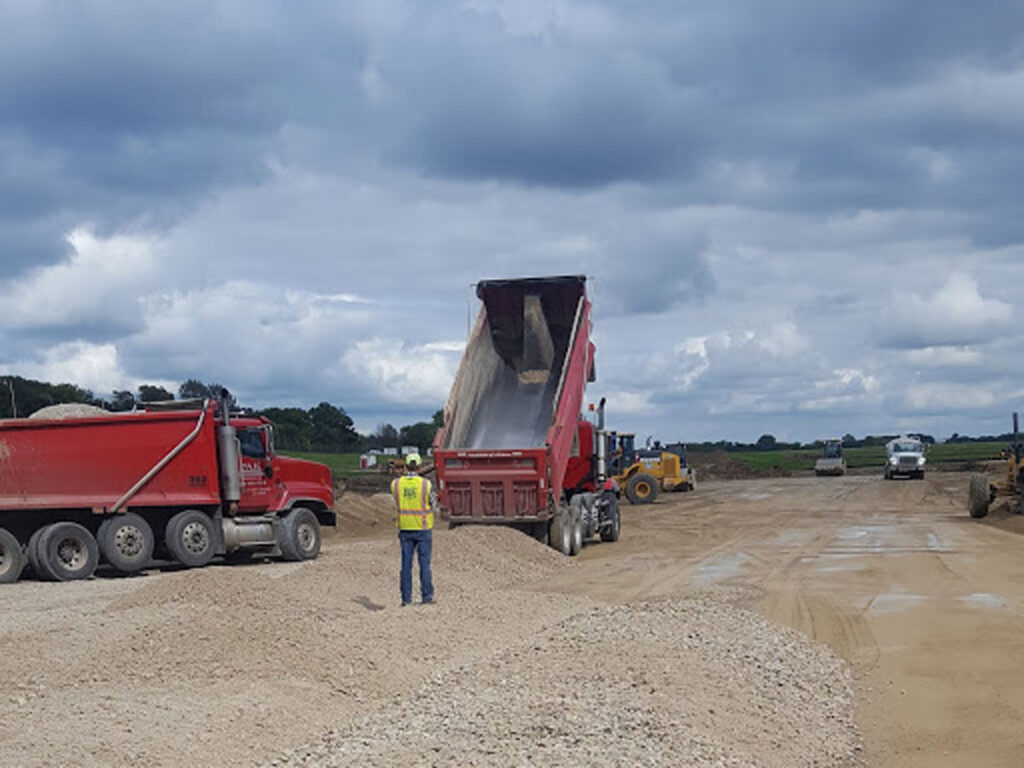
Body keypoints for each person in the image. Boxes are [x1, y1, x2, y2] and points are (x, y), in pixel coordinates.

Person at [390, 452, 434, 606]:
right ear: (420, 466)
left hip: (405, 529)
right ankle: (427, 597)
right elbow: (432, 504)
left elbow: (398, 500)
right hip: (423, 529)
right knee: (424, 565)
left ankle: (406, 599)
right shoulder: (426, 484)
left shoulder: (396, 484)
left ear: (405, 466)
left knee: (406, 565)